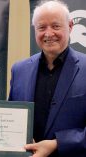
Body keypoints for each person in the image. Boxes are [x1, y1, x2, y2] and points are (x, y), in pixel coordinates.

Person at [8, 0, 86, 157]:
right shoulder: (19, 70)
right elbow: (12, 119)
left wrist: (58, 144)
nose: (49, 34)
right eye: (41, 27)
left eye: (56, 26)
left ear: (70, 26)